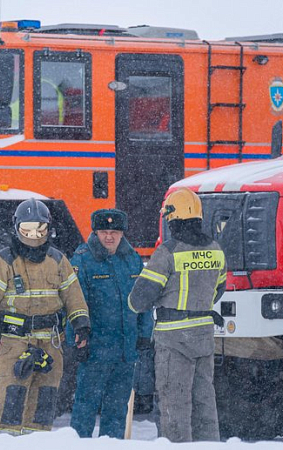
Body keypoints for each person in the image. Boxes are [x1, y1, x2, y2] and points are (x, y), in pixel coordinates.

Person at [0, 198, 91, 435]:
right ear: (16, 228)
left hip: (51, 342)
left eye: (40, 229)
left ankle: (37, 441)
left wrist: (81, 324)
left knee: (44, 402)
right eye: (27, 229)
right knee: (11, 399)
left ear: (49, 229)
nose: (34, 236)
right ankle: (4, 442)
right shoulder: (2, 261)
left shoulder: (58, 260)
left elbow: (73, 294)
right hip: (13, 342)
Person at [128, 187, 227, 443]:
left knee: (174, 405)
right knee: (205, 403)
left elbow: (138, 300)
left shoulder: (168, 252)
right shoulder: (216, 249)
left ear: (171, 218)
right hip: (204, 334)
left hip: (173, 338)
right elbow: (219, 288)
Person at [68, 209, 154, 439]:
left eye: (114, 232)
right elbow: (73, 303)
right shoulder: (82, 260)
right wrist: (77, 340)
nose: (109, 237)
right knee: (85, 408)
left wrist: (145, 335)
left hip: (126, 351)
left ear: (122, 233)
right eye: (104, 232)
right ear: (95, 232)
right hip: (95, 351)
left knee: (117, 410)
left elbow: (143, 301)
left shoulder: (133, 259)